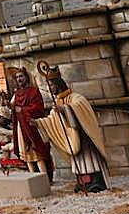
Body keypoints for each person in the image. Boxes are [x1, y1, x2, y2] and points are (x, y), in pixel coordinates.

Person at [33, 62, 110, 192]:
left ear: (58, 84)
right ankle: (82, 183)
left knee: (89, 161)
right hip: (72, 139)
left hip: (84, 138)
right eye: (49, 86)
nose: (51, 88)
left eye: (52, 85)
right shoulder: (57, 102)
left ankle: (96, 182)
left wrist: (65, 109)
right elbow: (52, 121)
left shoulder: (75, 97)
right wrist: (38, 123)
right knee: (79, 163)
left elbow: (80, 106)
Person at [9, 70, 55, 181]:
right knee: (27, 155)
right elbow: (12, 108)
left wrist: (22, 110)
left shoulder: (34, 91)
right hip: (21, 127)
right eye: (17, 77)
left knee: (38, 154)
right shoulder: (16, 94)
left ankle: (44, 179)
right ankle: (34, 180)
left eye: (21, 76)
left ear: (26, 77)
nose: (19, 79)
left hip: (32, 126)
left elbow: (38, 108)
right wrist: (12, 107)